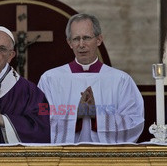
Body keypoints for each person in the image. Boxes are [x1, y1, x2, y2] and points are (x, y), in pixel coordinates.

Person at [38, 13, 144, 143]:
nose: (81, 44)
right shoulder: (50, 79)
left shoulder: (121, 80)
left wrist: (97, 116)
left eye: (87, 38)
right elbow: (39, 118)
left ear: (99, 39)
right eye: (76, 39)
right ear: (69, 43)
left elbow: (135, 120)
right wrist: (76, 115)